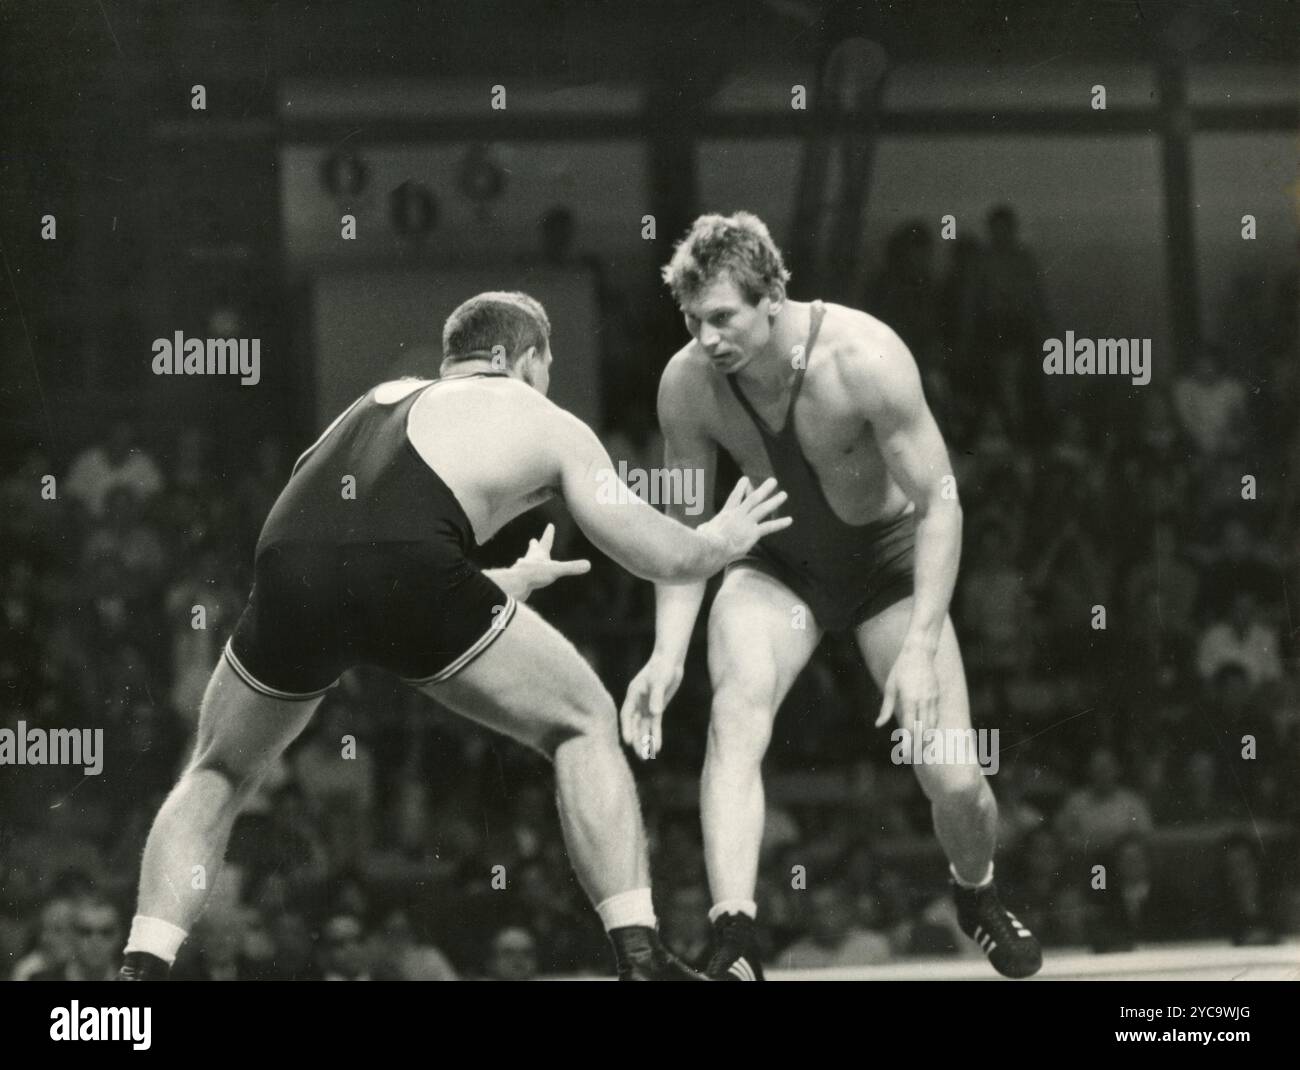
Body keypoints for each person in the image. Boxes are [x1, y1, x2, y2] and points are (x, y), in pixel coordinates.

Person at [116, 290, 790, 983]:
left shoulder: (372, 403)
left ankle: (139, 975)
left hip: (291, 560)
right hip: (411, 568)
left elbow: (357, 548)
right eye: (547, 365)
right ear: (520, 358)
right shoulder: (545, 418)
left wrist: (496, 583)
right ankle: (642, 961)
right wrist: (718, 541)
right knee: (585, 721)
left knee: (218, 770)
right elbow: (656, 554)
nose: (547, 381)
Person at [621, 213, 1042, 980]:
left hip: (887, 568)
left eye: (723, 318)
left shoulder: (866, 356)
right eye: (693, 321)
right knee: (735, 712)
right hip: (778, 566)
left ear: (771, 298)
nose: (707, 338)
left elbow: (942, 501)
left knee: (953, 777)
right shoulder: (687, 384)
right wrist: (665, 653)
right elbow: (686, 528)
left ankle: (975, 894)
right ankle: (737, 939)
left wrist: (919, 645)